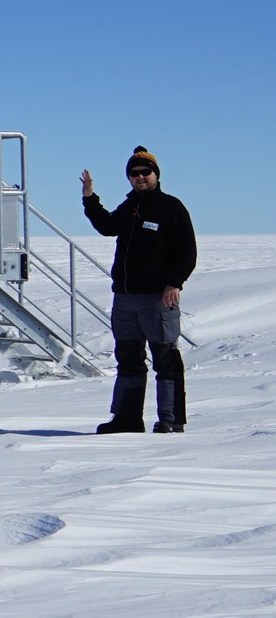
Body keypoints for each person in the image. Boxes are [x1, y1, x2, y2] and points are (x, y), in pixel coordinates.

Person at [81, 146, 197, 433]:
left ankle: (171, 419)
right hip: (125, 298)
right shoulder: (130, 207)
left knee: (166, 359)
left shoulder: (171, 207)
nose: (140, 177)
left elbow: (187, 251)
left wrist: (174, 282)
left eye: (146, 172)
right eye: (134, 173)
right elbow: (107, 226)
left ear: (156, 175)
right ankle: (127, 419)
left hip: (157, 298)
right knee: (129, 359)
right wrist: (89, 199)